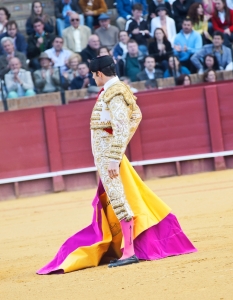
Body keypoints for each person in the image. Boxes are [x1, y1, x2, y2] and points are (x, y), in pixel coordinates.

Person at [37, 55, 196, 274]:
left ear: (99, 74)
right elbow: (136, 116)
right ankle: (127, 248)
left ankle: (129, 252)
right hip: (107, 157)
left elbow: (123, 125)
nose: (93, 79)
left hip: (108, 159)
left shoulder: (114, 93)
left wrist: (113, 155)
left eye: (93, 76)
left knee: (119, 200)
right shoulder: (117, 91)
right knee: (117, 198)